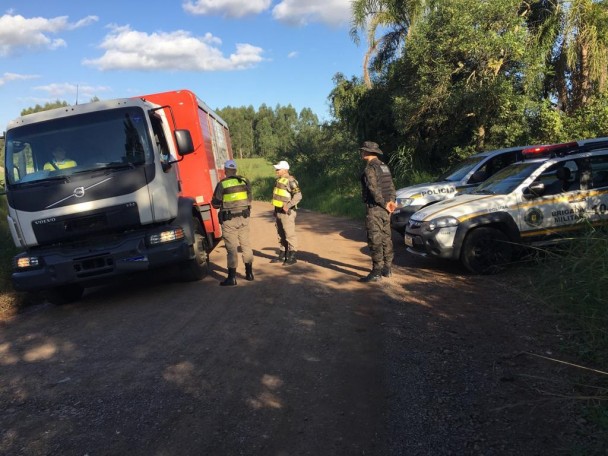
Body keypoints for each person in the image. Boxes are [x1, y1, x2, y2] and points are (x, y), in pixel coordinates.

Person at [211, 159, 254, 286]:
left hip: (229, 221)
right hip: (244, 218)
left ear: (225, 170)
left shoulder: (222, 184)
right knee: (246, 246)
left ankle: (232, 278)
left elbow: (215, 203)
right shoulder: (245, 181)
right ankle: (249, 274)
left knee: (231, 249)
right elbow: (249, 198)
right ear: (235, 170)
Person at [359, 141, 397, 282]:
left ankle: (376, 271)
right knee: (386, 237)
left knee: (375, 238)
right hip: (386, 208)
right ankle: (387, 268)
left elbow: (373, 189)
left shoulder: (370, 168)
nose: (361, 152)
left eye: (363, 150)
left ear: (368, 152)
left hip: (375, 208)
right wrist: (391, 202)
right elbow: (391, 186)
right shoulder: (384, 166)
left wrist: (383, 203)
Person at [271, 160, 302, 266]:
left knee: (290, 235)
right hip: (278, 212)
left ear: (285, 170)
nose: (276, 171)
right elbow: (278, 197)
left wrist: (287, 206)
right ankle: (282, 254)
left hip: (287, 213)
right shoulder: (279, 180)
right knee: (281, 235)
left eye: (278, 169)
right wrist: (275, 211)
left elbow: (298, 196)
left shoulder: (291, 181)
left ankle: (292, 257)